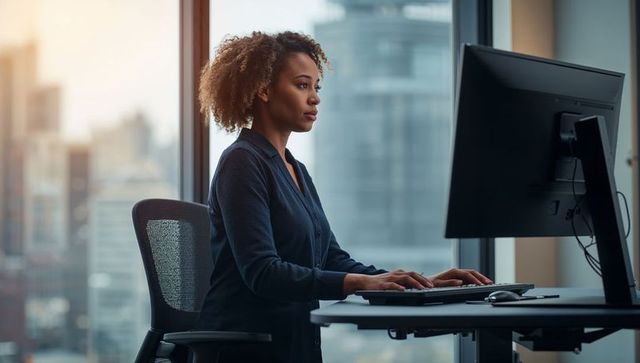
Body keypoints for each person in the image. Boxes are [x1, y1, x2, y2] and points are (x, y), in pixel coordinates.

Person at [196, 31, 493, 363]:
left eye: (317, 87)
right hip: (248, 348)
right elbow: (263, 272)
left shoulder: (295, 169)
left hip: (291, 342)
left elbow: (332, 259)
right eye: (302, 85)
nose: (315, 98)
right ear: (263, 89)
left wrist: (413, 283)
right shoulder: (242, 161)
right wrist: (359, 282)